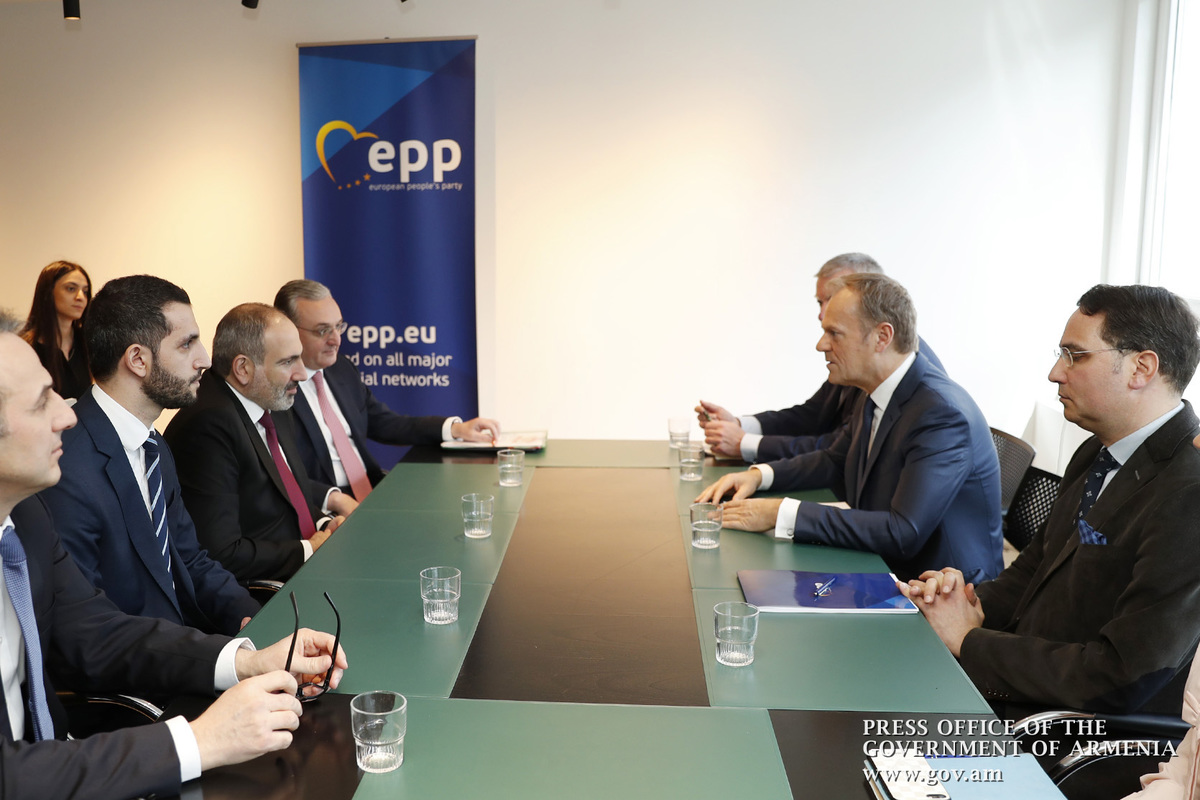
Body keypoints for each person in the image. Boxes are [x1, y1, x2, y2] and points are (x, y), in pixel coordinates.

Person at [0, 309, 347, 800]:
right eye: (41, 403)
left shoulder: (26, 518)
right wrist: (198, 740)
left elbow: (98, 633)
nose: (67, 414)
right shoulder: (58, 487)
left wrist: (248, 660)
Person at [901, 284, 1200, 719]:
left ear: (1141, 368)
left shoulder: (1190, 490)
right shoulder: (1096, 451)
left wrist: (969, 640)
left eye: (1075, 355)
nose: (1056, 373)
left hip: (1072, 729)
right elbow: (1034, 571)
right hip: (1022, 684)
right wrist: (964, 605)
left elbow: (1121, 675)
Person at [696, 273, 1002, 584]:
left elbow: (903, 533)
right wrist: (758, 475)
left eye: (834, 333)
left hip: (941, 591)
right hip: (885, 567)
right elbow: (834, 460)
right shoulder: (876, 391)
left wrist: (780, 513)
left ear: (882, 337)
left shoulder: (941, 414)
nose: (821, 345)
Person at [38, 275, 260, 636]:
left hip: (180, 647)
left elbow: (190, 559)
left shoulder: (151, 444)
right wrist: (222, 658)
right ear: (138, 360)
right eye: (187, 344)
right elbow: (89, 631)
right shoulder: (67, 468)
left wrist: (254, 620)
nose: (204, 359)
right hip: (142, 662)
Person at [165, 303, 358, 582]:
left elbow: (287, 497)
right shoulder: (208, 426)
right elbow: (221, 553)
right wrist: (309, 549)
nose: (302, 374)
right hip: (262, 591)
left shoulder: (272, 399)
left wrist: (325, 524)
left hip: (304, 564)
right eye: (287, 362)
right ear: (243, 368)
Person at [696, 252, 943, 463]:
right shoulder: (852, 357)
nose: (823, 314)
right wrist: (740, 424)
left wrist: (745, 443)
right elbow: (813, 415)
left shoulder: (897, 369)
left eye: (833, 299)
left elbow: (838, 449)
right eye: (820, 302)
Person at [273, 279, 500, 498]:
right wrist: (332, 499)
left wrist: (454, 429)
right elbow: (278, 474)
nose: (336, 340)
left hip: (372, 490)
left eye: (338, 326)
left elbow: (387, 424)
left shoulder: (342, 369)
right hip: (325, 506)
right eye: (323, 331)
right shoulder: (275, 390)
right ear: (288, 330)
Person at [20, 260, 92, 400]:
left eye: (85, 291)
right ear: (48, 293)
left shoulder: (88, 341)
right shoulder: (26, 347)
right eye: (71, 289)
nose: (80, 297)